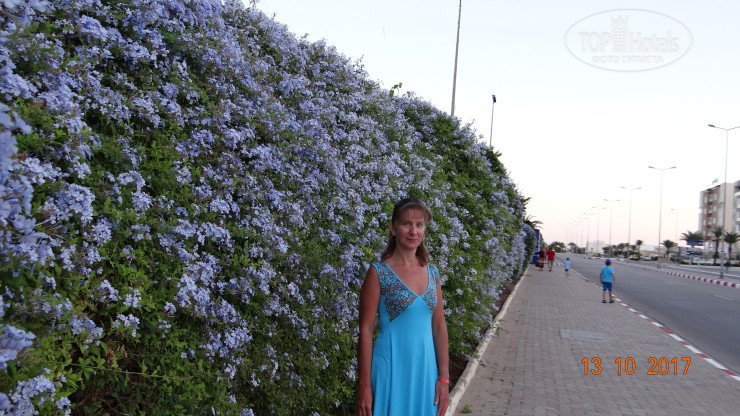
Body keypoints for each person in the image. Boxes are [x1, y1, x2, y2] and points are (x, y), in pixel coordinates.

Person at [357, 198, 450, 416]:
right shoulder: (378, 272)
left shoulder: (433, 273)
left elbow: (439, 327)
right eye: (406, 223)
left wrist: (444, 378)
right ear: (393, 228)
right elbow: (366, 330)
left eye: (419, 225)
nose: (413, 231)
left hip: (425, 373)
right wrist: (364, 385)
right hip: (390, 370)